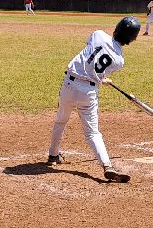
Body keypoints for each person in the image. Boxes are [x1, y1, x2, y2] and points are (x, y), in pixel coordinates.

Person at [47, 16, 142, 183]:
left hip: (69, 84)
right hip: (88, 93)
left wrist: (99, 78)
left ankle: (53, 155)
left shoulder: (98, 34)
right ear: (132, 39)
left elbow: (89, 56)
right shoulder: (120, 61)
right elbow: (99, 71)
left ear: (117, 28)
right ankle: (107, 165)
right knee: (92, 133)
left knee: (60, 121)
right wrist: (102, 79)